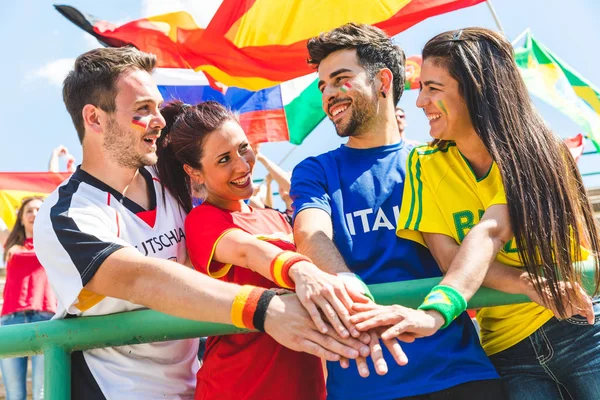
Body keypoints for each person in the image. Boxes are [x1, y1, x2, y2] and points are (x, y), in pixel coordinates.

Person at [33, 46, 371, 400]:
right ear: (95, 119)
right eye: (143, 109)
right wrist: (265, 308)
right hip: (115, 391)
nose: (160, 120)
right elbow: (140, 278)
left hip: (194, 385)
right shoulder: (67, 214)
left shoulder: (169, 179)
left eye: (157, 108)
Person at [377, 27, 599, 399]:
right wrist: (530, 284)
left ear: (476, 89)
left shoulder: (544, 152)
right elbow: (450, 259)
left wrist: (435, 313)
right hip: (507, 352)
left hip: (579, 328)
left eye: (433, 88)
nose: (420, 102)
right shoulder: (422, 165)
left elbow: (490, 232)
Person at [290, 23, 501, 400]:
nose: (328, 96)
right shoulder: (315, 170)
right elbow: (309, 234)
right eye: (322, 86)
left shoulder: (441, 160)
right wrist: (350, 289)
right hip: (364, 381)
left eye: (340, 79)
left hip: (458, 374)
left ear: (383, 80)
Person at [155, 100, 389, 399]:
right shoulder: (203, 220)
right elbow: (248, 251)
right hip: (240, 387)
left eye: (243, 148)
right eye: (223, 159)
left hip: (307, 387)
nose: (242, 165)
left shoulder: (277, 217)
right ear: (195, 172)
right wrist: (300, 269)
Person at [1, 196, 56, 400]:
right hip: (10, 321)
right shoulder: (10, 243)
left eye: (39, 210)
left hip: (46, 319)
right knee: (15, 394)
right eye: (29, 211)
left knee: (43, 392)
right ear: (21, 218)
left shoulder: (55, 240)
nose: (34, 214)